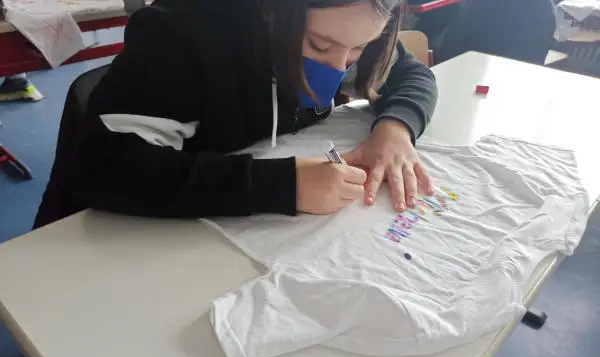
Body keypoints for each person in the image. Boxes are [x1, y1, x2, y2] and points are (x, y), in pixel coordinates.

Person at [36, 0, 438, 226]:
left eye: (360, 48)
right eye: (318, 45)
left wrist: (395, 129)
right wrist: (285, 185)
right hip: (117, 235)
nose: (340, 67)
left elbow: (411, 75)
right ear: (270, 12)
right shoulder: (182, 37)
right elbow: (107, 170)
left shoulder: (351, 30)